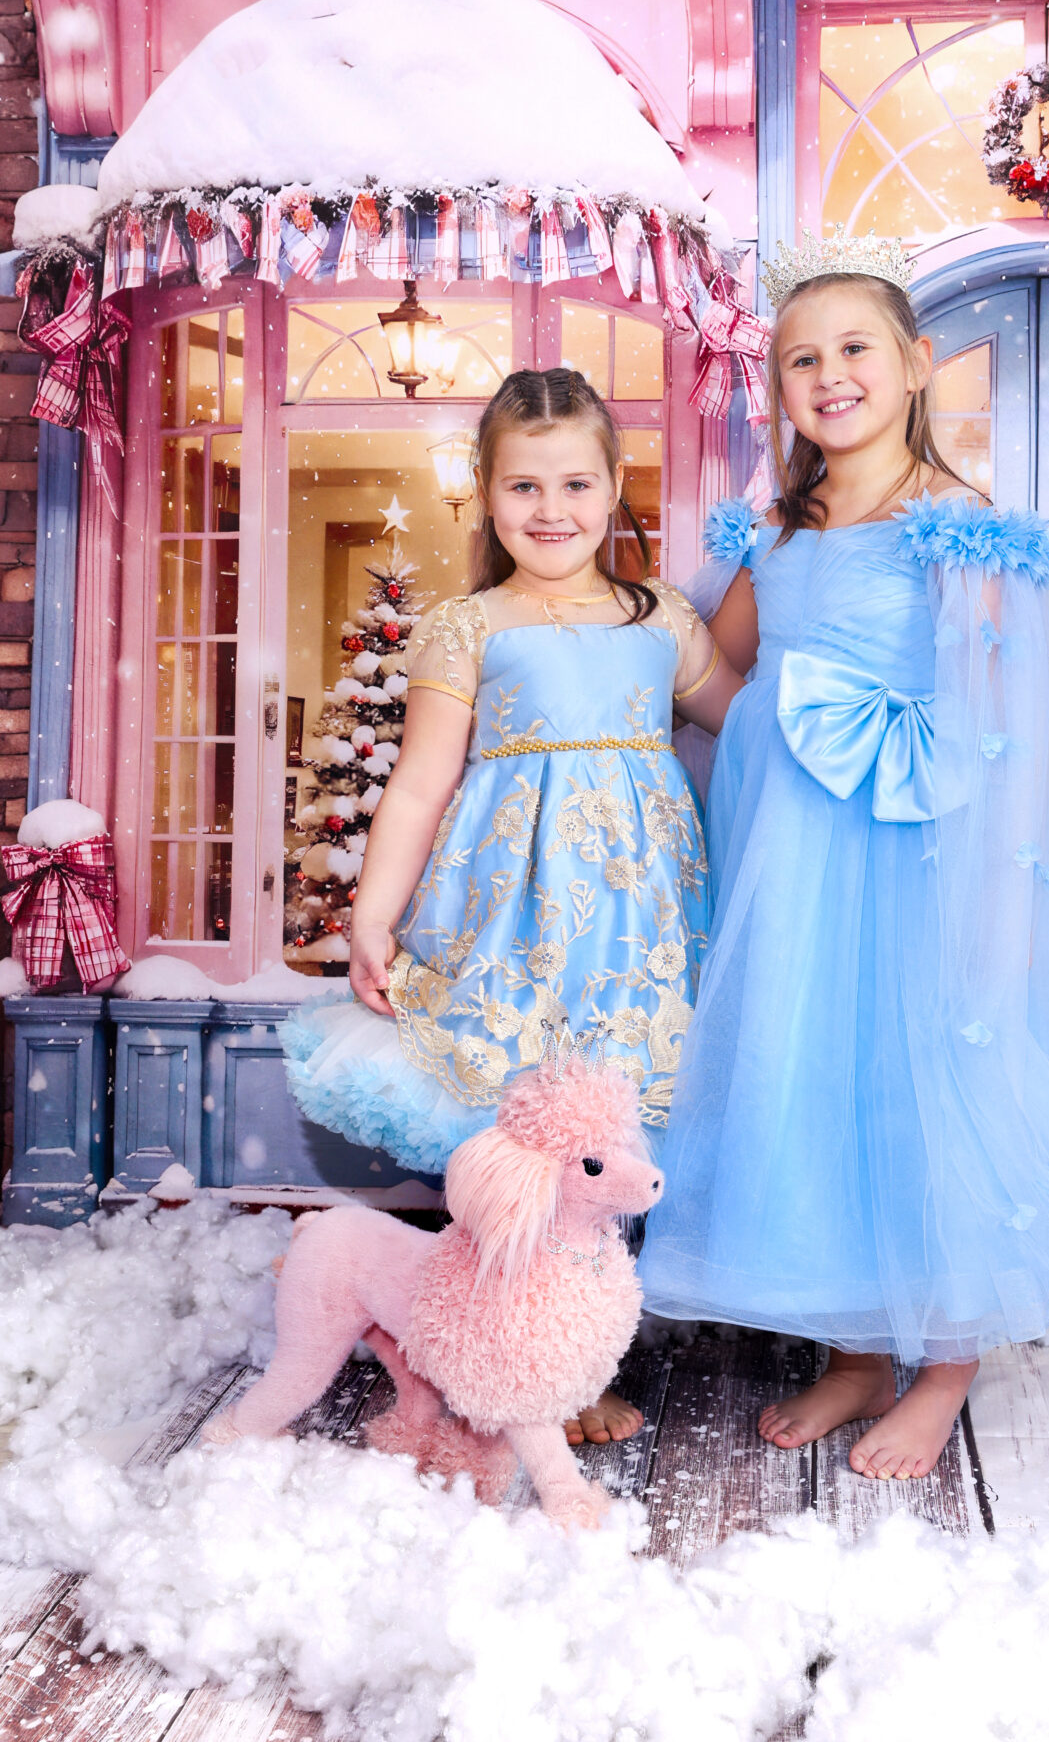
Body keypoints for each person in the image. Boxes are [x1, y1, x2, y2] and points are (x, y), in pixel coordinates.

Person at [639, 230, 1049, 1480]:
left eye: (853, 349)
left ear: (911, 366)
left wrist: (989, 915)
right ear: (776, 387)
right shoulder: (772, 533)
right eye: (801, 358)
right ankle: (852, 1348)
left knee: (923, 1089)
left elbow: (1002, 731)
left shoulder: (953, 528)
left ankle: (943, 1368)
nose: (827, 374)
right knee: (814, 1089)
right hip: (788, 872)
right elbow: (725, 681)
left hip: (907, 866)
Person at [281, 367, 741, 1444]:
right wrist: (371, 917)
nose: (551, 510)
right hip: (509, 922)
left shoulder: (656, 619)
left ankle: (576, 1350)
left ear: (614, 483)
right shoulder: (467, 626)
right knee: (523, 1130)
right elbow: (418, 786)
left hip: (638, 924)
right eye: (523, 486)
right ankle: (527, 1366)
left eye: (575, 484)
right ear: (485, 494)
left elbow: (745, 723)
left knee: (609, 1130)